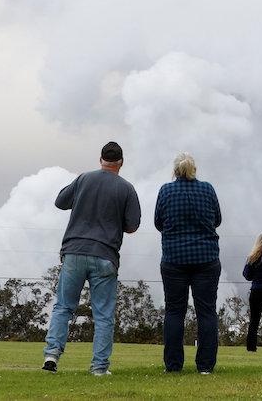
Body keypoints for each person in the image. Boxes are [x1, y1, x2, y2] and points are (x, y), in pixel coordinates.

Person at [42, 141, 141, 376]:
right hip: (105, 255)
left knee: (64, 307)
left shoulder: (83, 179)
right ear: (121, 163)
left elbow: (60, 202)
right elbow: (132, 226)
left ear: (100, 160)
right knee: (104, 315)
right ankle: (98, 367)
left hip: (74, 251)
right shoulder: (126, 188)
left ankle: (52, 355)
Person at [155, 152, 222, 374]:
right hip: (206, 257)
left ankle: (173, 365)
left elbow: (158, 222)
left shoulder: (166, 190)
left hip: (174, 259)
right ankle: (205, 366)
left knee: (174, 311)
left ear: (175, 170)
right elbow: (217, 219)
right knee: (206, 312)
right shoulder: (207, 189)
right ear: (194, 169)